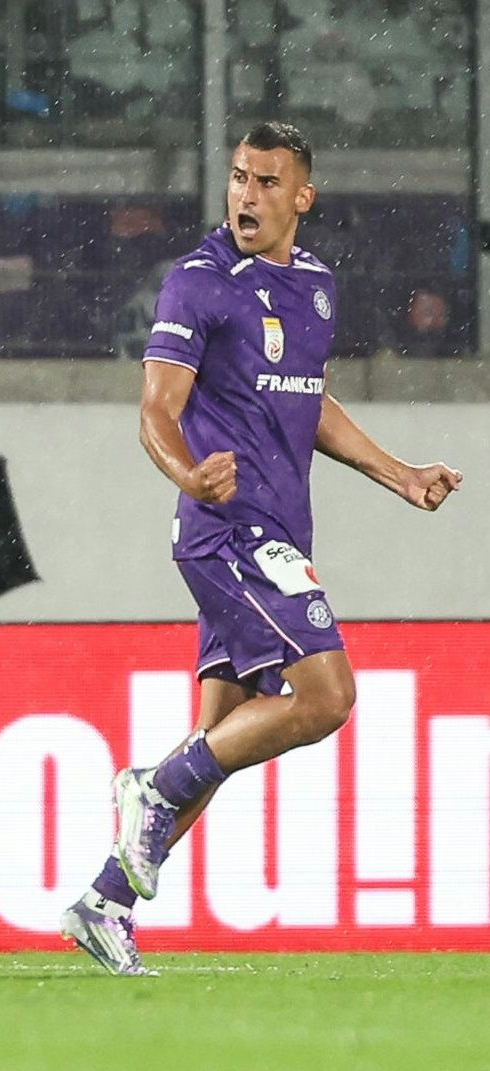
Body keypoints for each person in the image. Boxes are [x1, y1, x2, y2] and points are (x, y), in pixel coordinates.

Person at [60, 121, 463, 976]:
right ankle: (147, 789)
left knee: (220, 734)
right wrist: (189, 476)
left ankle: (104, 901)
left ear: (301, 197)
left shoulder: (314, 285)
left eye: (266, 182)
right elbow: (154, 411)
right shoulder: (199, 283)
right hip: (227, 529)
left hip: (277, 529)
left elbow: (304, 403)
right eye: (239, 178)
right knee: (325, 697)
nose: (246, 194)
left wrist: (397, 474)